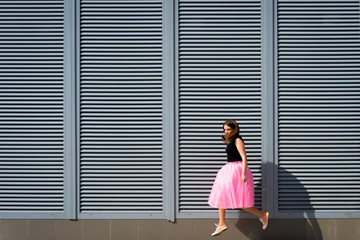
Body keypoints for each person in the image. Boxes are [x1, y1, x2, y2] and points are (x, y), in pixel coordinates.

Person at [208, 119, 269, 237]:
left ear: (235, 129)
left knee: (242, 202)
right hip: (228, 170)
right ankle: (222, 224)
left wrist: (243, 173)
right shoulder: (230, 140)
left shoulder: (237, 140)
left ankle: (263, 215)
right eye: (224, 129)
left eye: (228, 129)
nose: (226, 132)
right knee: (221, 196)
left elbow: (244, 157)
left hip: (237, 171)